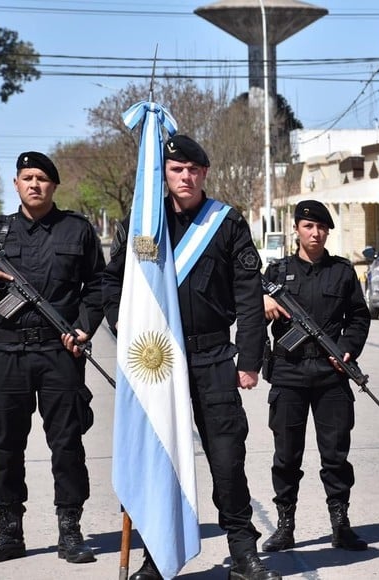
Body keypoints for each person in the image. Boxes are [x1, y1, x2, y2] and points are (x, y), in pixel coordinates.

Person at [102, 135, 280, 580]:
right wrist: (120, 326)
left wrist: (250, 360)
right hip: (158, 363)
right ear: (164, 173)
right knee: (158, 461)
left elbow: (247, 295)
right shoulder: (145, 222)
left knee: (226, 461)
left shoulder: (226, 222)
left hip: (213, 357)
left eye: (193, 170)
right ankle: (155, 557)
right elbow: (111, 283)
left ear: (204, 173)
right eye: (176, 169)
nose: (185, 176)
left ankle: (242, 554)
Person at [0, 151, 104, 566]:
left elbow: (98, 285)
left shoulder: (77, 230)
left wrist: (84, 327)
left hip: (60, 351)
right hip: (6, 353)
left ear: (54, 186)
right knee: (5, 443)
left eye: (42, 178)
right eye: (27, 177)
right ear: (16, 184)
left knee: (67, 444)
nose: (34, 184)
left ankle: (70, 530)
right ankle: (9, 531)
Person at [260, 200, 371, 553]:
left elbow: (359, 317)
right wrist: (262, 304)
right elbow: (249, 316)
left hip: (331, 374)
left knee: (335, 455)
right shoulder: (276, 274)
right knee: (286, 455)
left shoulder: (341, 272)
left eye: (321, 228)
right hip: (289, 373)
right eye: (308, 226)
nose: (315, 233)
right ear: (296, 229)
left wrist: (348, 349)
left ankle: (340, 523)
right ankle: (285, 525)